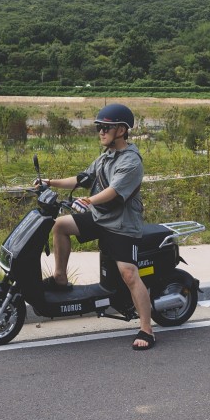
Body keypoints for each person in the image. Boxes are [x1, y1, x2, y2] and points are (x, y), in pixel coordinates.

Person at [37, 104, 154, 350]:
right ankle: (60, 278)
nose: (100, 132)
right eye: (99, 127)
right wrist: (49, 182)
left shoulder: (131, 161)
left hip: (122, 225)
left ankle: (146, 328)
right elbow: (81, 179)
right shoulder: (105, 157)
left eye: (105, 128)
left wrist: (89, 200)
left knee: (129, 274)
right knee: (60, 225)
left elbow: (113, 192)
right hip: (100, 217)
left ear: (121, 130)